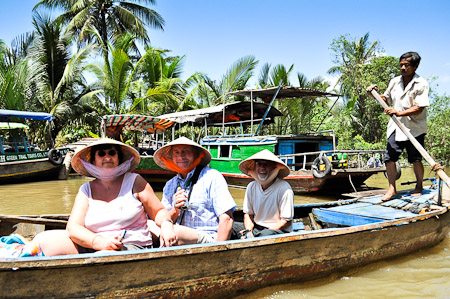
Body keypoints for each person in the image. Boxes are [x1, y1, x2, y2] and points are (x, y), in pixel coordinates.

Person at [33, 138, 177, 256]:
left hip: (130, 246)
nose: (107, 157)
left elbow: (158, 211)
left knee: (103, 256)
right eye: (101, 154)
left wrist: (166, 224)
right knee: (43, 241)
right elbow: (73, 227)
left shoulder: (135, 181)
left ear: (118, 158)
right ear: (94, 161)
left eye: (112, 153)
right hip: (93, 244)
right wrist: (98, 241)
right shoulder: (86, 189)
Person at [367, 51, 430, 201]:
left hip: (414, 127)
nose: (402, 68)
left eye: (406, 65)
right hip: (396, 126)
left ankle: (419, 185)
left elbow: (420, 107)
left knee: (415, 159)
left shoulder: (421, 83)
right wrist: (374, 94)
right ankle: (392, 189)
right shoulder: (395, 81)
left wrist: (399, 113)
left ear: (415, 66)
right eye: (401, 64)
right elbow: (386, 99)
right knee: (389, 158)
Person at [153, 137, 236, 245]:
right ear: (172, 157)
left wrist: (217, 250)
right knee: (150, 226)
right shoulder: (170, 185)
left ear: (195, 154)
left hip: (208, 239)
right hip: (177, 237)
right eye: (176, 152)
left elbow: (227, 219)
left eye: (185, 151)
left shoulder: (211, 177)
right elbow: (165, 221)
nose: (180, 156)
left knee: (175, 231)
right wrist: (176, 209)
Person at [231, 149, 294, 239]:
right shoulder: (251, 186)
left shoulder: (284, 188)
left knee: (264, 235)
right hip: (257, 228)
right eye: (259, 164)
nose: (262, 168)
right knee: (230, 226)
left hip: (277, 231)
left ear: (273, 166)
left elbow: (284, 221)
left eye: (266, 164)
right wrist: (248, 231)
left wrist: (257, 236)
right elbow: (248, 214)